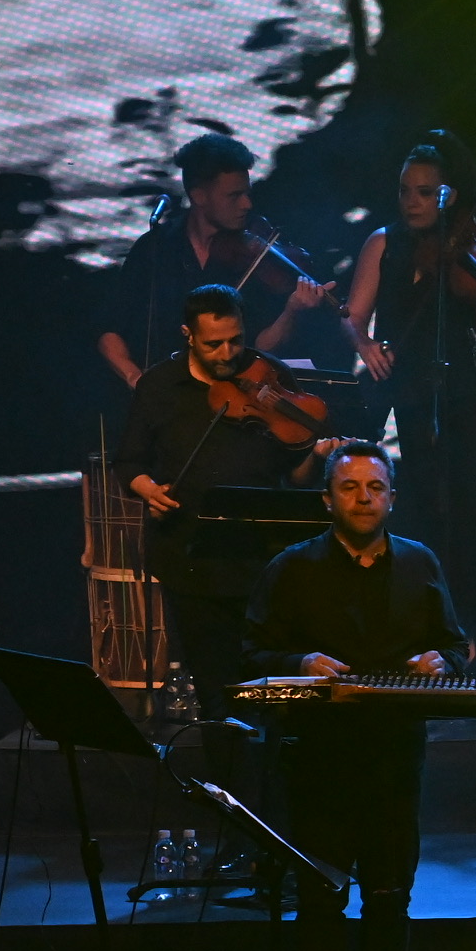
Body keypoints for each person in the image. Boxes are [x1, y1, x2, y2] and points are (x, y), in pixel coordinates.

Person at [240, 441, 465, 951]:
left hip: (395, 759)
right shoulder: (292, 568)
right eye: (350, 488)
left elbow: (454, 644)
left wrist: (443, 661)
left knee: (390, 899)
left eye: (375, 488)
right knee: (320, 904)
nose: (364, 499)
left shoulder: (419, 563)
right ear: (327, 499)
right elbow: (251, 654)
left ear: (392, 497)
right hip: (319, 762)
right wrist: (298, 662)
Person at [346, 139, 476, 682]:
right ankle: (454, 639)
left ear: (449, 196)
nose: (412, 202)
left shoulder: (472, 245)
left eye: (425, 193)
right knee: (432, 514)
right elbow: (353, 317)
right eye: (405, 191)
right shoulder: (383, 243)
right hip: (415, 396)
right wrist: (366, 345)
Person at [118, 285, 323, 732]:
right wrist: (150, 491)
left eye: (236, 340)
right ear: (188, 335)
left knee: (270, 689)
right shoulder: (159, 385)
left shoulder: (270, 373)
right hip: (190, 557)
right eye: (214, 344)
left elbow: (297, 475)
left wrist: (318, 455)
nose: (228, 353)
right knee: (217, 694)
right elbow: (129, 462)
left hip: (262, 556)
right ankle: (228, 770)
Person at [94, 129, 337, 389]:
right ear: (199, 196)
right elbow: (111, 329)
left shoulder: (256, 256)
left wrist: (292, 311)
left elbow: (261, 347)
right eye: (234, 196)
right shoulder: (156, 247)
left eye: (246, 193)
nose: (246, 204)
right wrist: (135, 377)